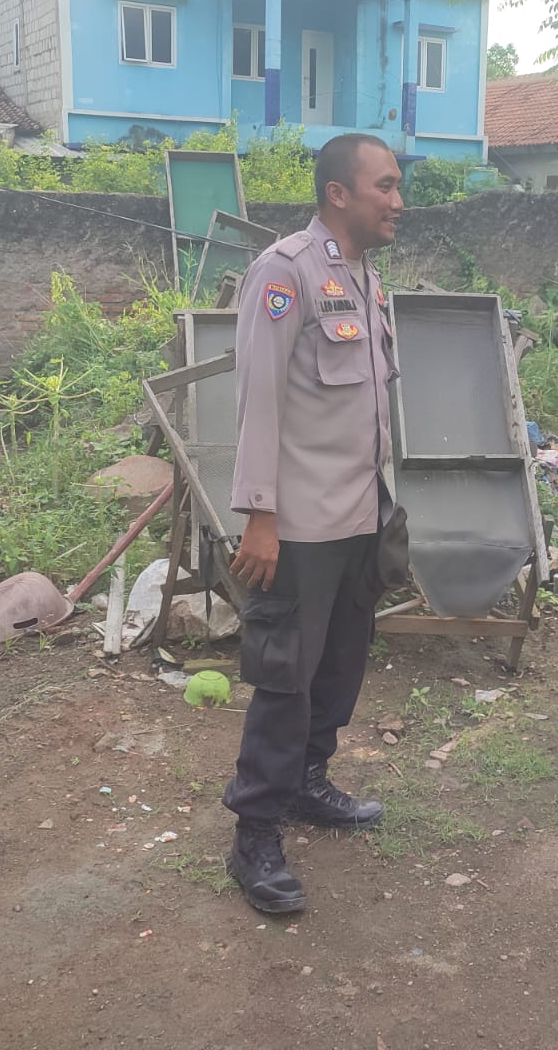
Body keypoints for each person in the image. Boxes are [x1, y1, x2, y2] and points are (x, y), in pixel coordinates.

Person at [222, 133, 403, 914]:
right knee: (285, 680)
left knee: (339, 666)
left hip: (359, 514)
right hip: (297, 526)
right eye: (384, 186)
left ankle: (308, 782)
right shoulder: (284, 272)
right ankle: (255, 833)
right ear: (339, 193)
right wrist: (259, 514)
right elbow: (259, 396)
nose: (398, 201)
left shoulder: (364, 277)